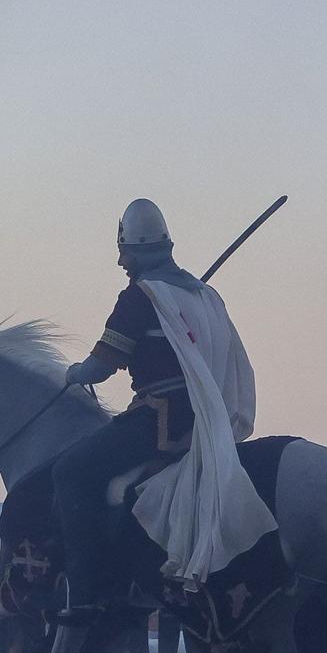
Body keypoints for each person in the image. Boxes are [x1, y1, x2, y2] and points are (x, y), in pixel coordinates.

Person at [53, 199, 273, 619]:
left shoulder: (140, 296)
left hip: (158, 421)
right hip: (206, 420)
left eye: (125, 252)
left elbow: (101, 366)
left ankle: (82, 593)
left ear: (136, 251)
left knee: (70, 470)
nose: (121, 261)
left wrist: (72, 374)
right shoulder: (204, 295)